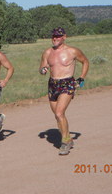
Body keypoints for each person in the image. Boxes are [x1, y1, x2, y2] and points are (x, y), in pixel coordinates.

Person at [39, 27, 89, 155]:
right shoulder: (47, 52)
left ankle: (65, 141)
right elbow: (42, 67)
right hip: (52, 84)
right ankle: (68, 137)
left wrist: (82, 78)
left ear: (64, 37)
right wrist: (43, 70)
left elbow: (85, 61)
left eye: (58, 36)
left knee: (60, 113)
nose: (55, 38)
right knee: (57, 115)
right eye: (53, 36)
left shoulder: (72, 51)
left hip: (67, 83)